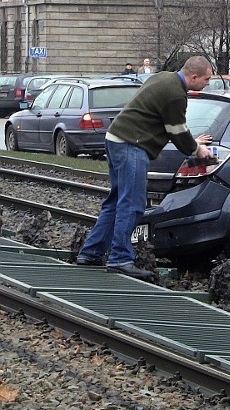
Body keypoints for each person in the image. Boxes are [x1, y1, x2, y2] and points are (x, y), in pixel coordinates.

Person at [75, 55, 215, 280]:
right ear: (194, 76)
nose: (208, 83)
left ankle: (91, 253)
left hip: (116, 139)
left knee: (116, 200)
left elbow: (169, 126)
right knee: (132, 203)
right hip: (132, 145)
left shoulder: (163, 78)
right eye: (206, 79)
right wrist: (197, 150)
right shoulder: (175, 94)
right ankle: (120, 258)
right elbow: (176, 130)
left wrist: (192, 142)